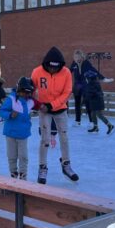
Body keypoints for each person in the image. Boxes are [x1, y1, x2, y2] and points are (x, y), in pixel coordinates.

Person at [31, 46, 78, 184]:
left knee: (64, 138)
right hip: (44, 110)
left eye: (56, 68)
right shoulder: (37, 72)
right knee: (45, 140)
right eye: (50, 67)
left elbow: (67, 92)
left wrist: (51, 105)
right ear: (46, 64)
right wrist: (36, 104)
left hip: (60, 109)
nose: (53, 70)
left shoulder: (66, 72)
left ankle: (66, 164)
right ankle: (43, 167)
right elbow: (31, 89)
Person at [0, 77, 37, 180]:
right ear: (19, 90)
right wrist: (10, 114)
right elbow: (1, 111)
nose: (26, 95)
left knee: (23, 156)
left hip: (23, 134)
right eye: (24, 92)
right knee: (12, 156)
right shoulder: (11, 99)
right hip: (10, 133)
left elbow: (39, 105)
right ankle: (13, 174)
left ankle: (23, 175)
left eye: (28, 93)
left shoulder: (30, 101)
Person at [69, 50, 98, 126]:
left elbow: (93, 71)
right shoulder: (74, 63)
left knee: (88, 103)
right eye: (75, 56)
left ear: (81, 56)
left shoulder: (86, 63)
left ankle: (91, 121)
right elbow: (69, 72)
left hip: (85, 86)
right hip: (77, 86)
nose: (76, 58)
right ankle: (77, 121)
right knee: (77, 104)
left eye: (78, 56)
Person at [83, 70, 115, 135]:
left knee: (99, 114)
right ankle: (95, 127)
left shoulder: (92, 84)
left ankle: (110, 125)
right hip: (95, 101)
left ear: (89, 78)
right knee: (93, 113)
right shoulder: (93, 83)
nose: (85, 79)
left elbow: (91, 93)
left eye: (86, 78)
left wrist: (85, 99)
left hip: (97, 102)